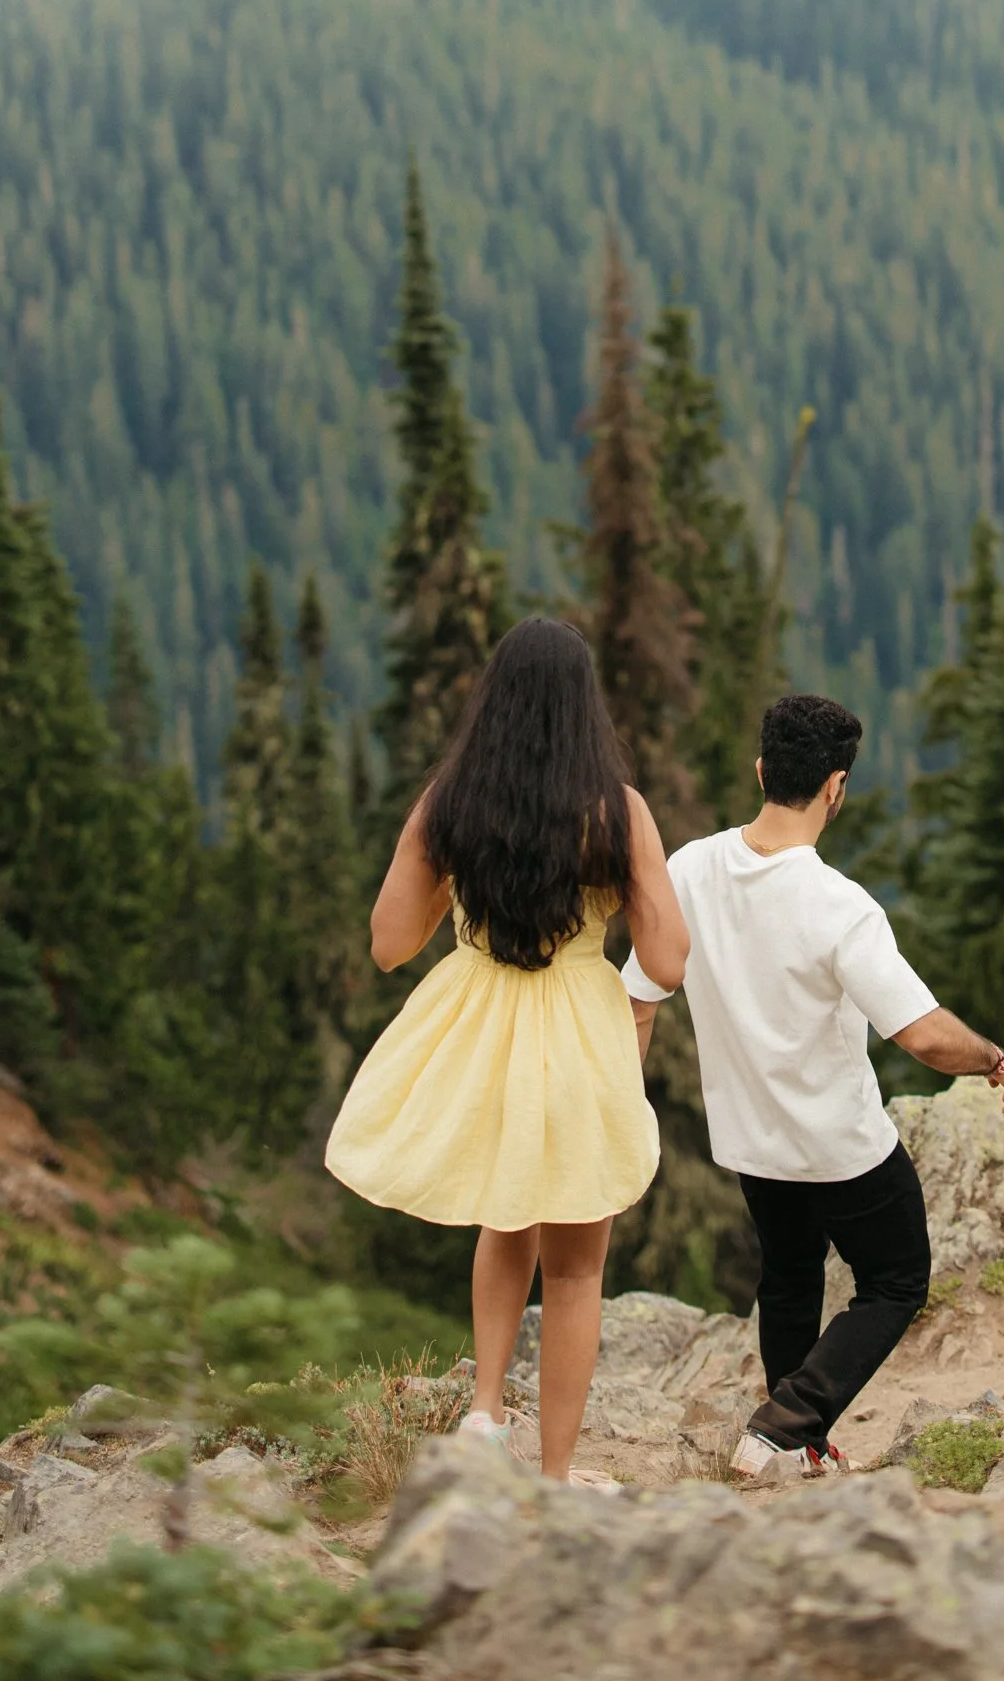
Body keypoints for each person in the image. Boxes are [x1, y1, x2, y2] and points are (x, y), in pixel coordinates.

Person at [623, 691, 1004, 1480]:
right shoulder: (840, 907)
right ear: (836, 786)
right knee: (896, 1279)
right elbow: (922, 1034)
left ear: (762, 770)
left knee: (789, 1276)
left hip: (751, 1136)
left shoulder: (690, 868)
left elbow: (639, 992)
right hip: (841, 1143)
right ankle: (788, 1424)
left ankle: (793, 1443)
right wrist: (993, 1059)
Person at [326, 616, 688, 1484]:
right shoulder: (618, 812)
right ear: (584, 708)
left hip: (480, 1026)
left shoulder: (449, 803)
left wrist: (453, 894)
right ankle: (553, 1476)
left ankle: (485, 1410)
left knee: (505, 1212)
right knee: (576, 1271)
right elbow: (669, 959)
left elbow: (388, 943)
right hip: (579, 1033)